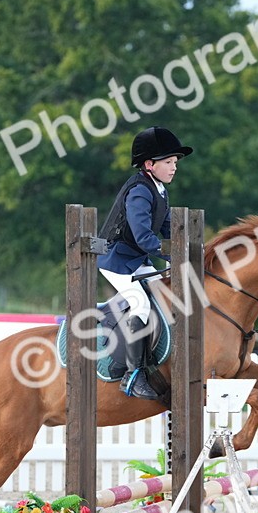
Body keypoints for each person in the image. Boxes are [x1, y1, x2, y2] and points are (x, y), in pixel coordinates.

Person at [96, 126, 192, 399]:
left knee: (168, 296)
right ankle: (132, 375)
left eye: (175, 162)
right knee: (139, 305)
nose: (174, 168)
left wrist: (193, 251)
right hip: (116, 261)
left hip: (136, 259)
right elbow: (143, 237)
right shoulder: (140, 191)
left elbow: (167, 230)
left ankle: (161, 360)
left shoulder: (159, 189)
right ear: (149, 164)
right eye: (168, 162)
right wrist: (175, 256)